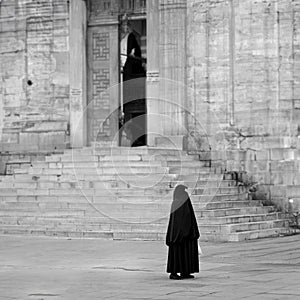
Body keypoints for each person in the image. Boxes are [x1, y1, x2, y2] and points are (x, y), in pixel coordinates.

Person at [166, 185, 200, 280]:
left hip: (185, 234)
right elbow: (177, 221)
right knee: (178, 253)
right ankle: (174, 272)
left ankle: (185, 272)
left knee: (184, 253)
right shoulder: (178, 203)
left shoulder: (179, 202)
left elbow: (189, 217)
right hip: (179, 235)